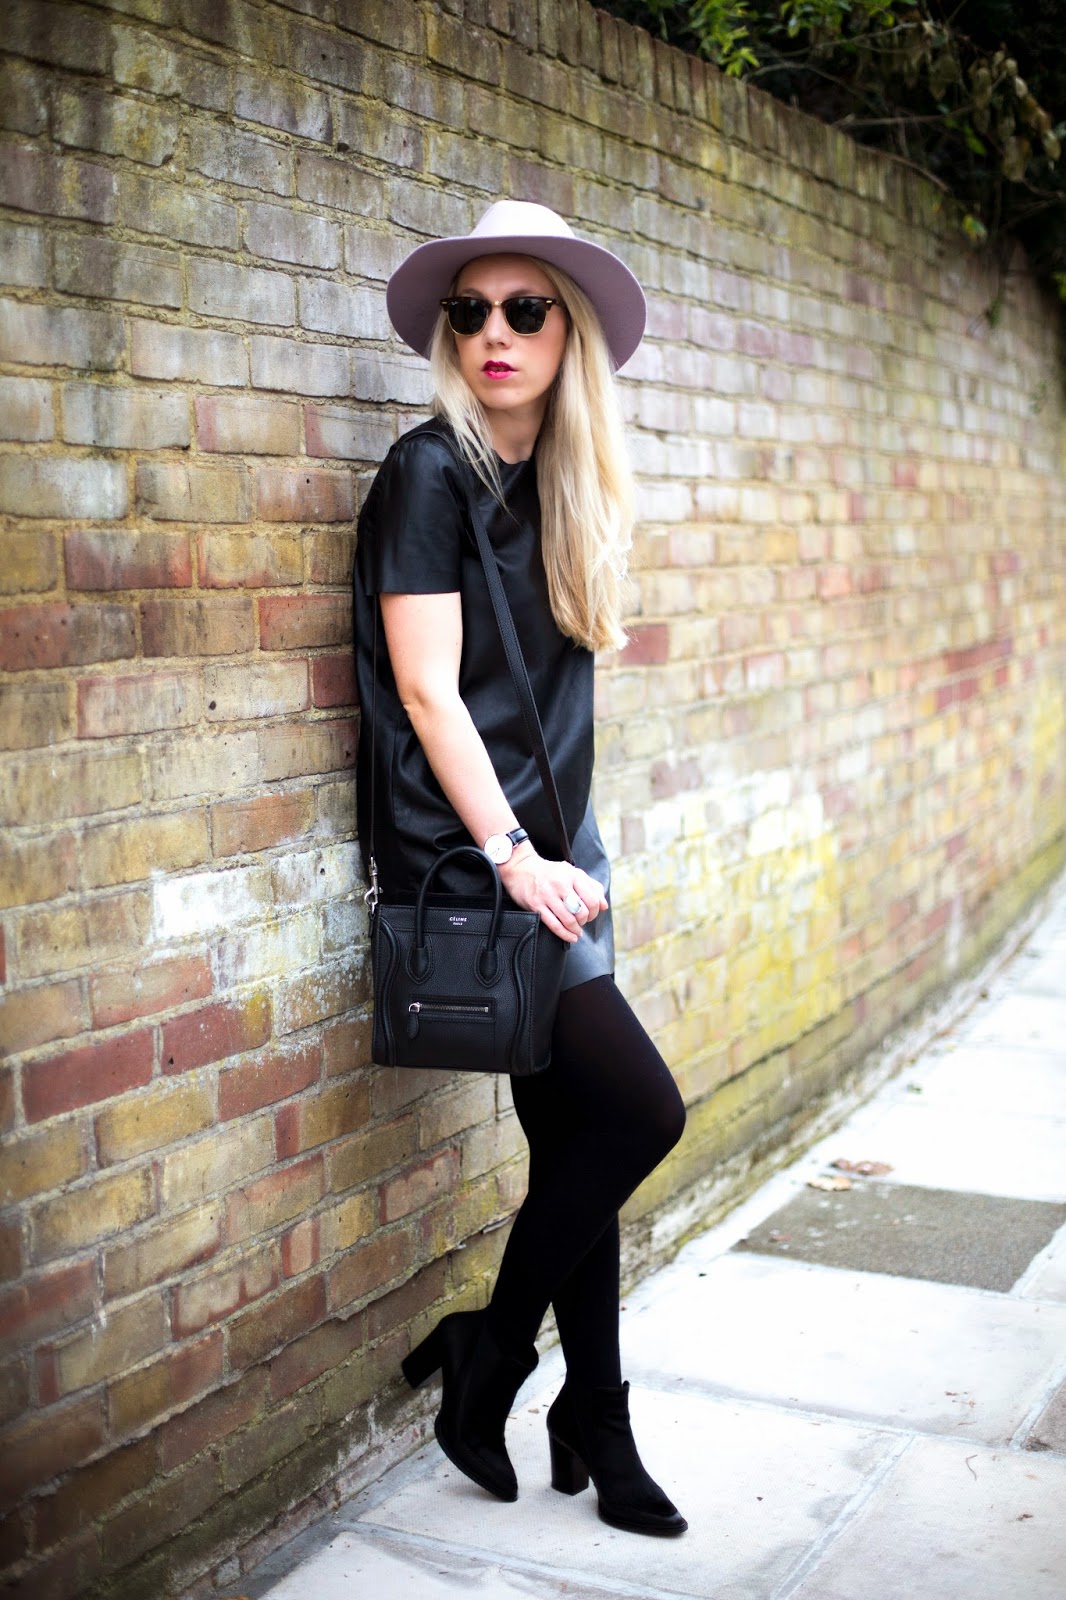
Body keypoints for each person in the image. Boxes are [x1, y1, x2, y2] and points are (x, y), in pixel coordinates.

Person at [352, 200, 687, 1536]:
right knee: (640, 1115)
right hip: (485, 853)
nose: (494, 332)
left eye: (524, 310)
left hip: (555, 848)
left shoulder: (564, 480)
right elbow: (428, 695)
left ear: (568, 334)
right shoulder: (426, 476)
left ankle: (593, 1417)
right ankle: (490, 1354)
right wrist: (512, 859)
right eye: (471, 311)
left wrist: (556, 851)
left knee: (575, 1138)